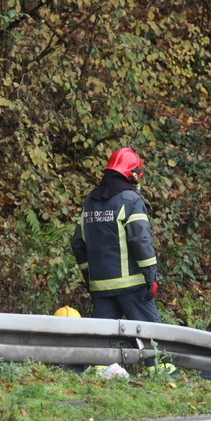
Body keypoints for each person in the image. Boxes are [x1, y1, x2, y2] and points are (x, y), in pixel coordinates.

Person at [70, 147, 176, 376]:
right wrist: (151, 275)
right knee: (151, 334)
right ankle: (164, 377)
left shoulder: (90, 202)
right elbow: (140, 239)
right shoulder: (130, 200)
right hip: (132, 286)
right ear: (132, 174)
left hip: (101, 286)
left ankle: (102, 377)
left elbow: (78, 243)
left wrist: (89, 277)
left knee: (103, 344)